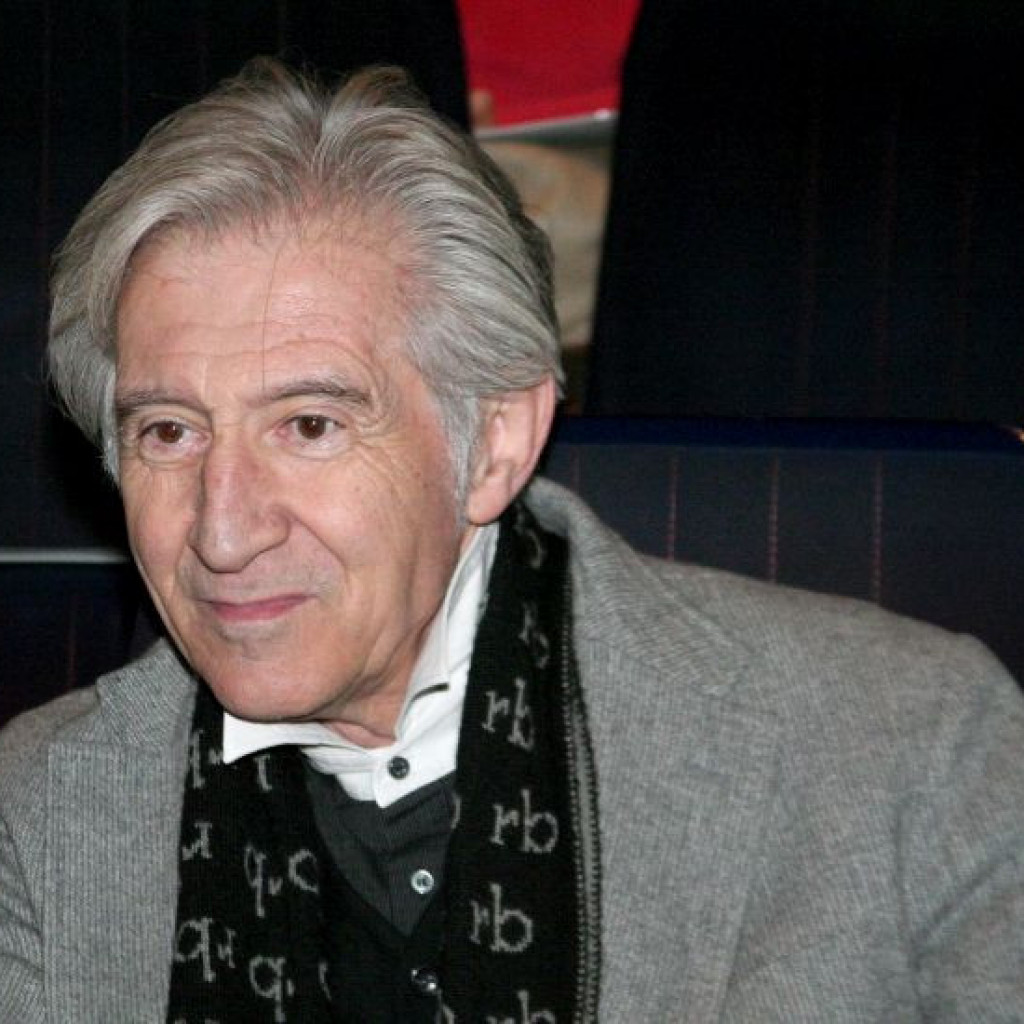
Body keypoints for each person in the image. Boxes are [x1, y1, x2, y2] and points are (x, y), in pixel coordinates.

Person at [2, 59, 1023, 1024]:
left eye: (309, 425)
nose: (223, 531)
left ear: (494, 441)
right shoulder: (37, 816)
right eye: (168, 432)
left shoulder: (910, 745)